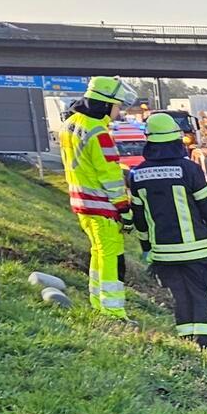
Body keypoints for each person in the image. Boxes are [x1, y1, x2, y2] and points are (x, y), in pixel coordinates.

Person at [122, 111, 207, 352]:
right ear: (175, 140)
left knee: (181, 300)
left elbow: (140, 219)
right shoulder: (190, 170)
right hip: (196, 253)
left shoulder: (137, 175)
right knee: (205, 298)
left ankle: (188, 347)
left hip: (163, 255)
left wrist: (146, 248)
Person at [59, 75, 138, 316]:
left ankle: (97, 302)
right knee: (112, 257)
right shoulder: (99, 133)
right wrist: (124, 208)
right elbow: (111, 176)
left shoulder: (71, 123)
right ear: (104, 103)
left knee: (98, 253)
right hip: (102, 206)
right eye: (117, 105)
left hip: (81, 202)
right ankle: (112, 310)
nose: (118, 111)